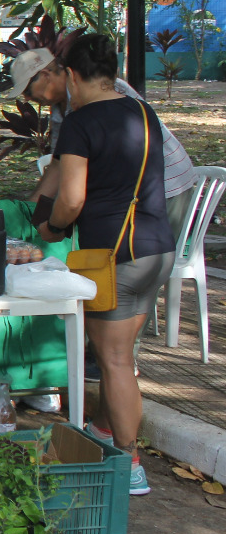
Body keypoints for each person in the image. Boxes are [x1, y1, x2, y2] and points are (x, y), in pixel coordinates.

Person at [35, 33, 174, 498]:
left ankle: (130, 462)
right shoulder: (142, 110)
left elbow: (71, 199)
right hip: (157, 248)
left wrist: (51, 229)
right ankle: (102, 430)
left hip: (115, 254)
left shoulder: (81, 122)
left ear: (72, 75)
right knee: (122, 358)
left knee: (113, 361)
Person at [11, 46, 195, 238]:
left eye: (27, 89)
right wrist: (29, 212)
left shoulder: (106, 91)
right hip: (129, 197)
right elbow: (59, 165)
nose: (27, 98)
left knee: (131, 255)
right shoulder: (60, 111)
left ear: (45, 75)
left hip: (164, 187)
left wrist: (58, 223)